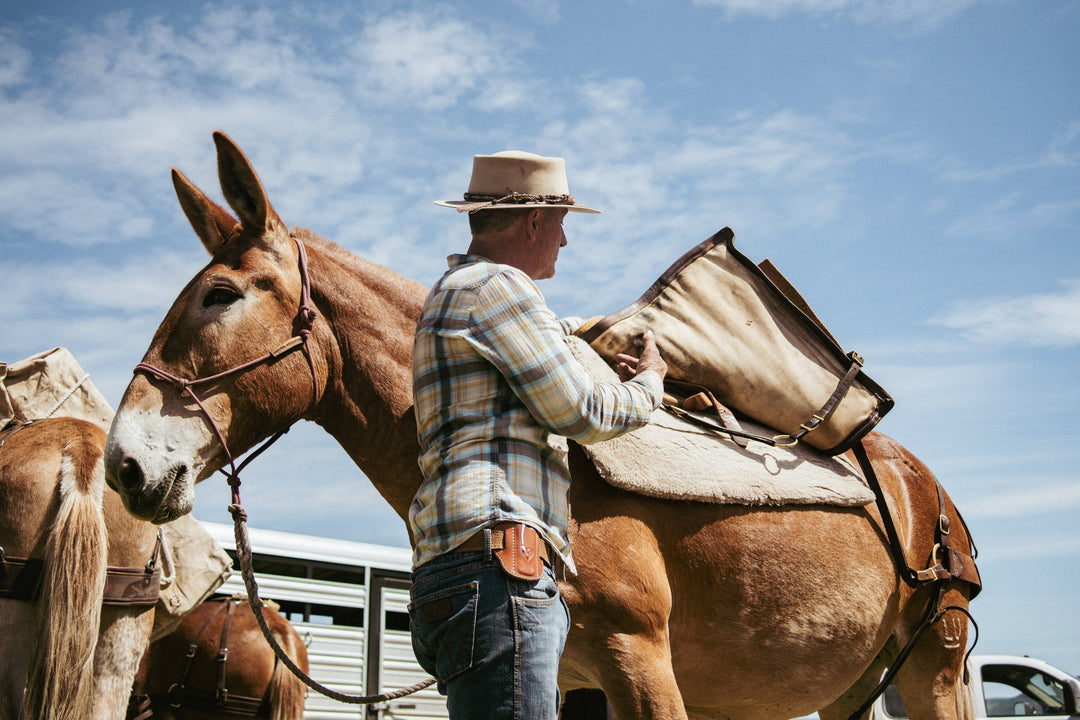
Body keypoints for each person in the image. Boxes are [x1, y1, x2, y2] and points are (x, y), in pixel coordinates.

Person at [408, 150, 668, 719]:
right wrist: (650, 384)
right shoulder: (499, 286)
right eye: (561, 223)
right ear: (533, 221)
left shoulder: (455, 293)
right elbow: (581, 411)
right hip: (500, 568)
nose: (565, 241)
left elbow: (542, 344)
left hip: (456, 569)